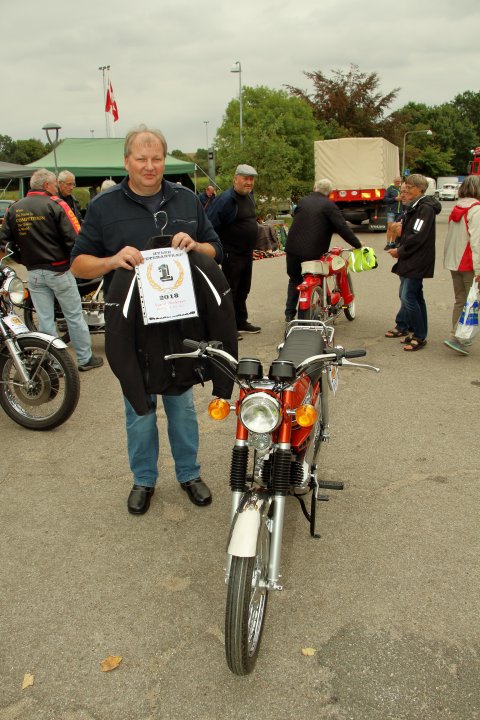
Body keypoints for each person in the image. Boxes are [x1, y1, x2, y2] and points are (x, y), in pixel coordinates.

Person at [70, 125, 236, 516]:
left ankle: (189, 474)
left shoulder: (187, 199)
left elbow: (217, 249)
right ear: (127, 161)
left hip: (181, 323)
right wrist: (112, 260)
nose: (149, 166)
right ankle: (143, 480)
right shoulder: (104, 206)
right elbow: (78, 264)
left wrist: (197, 245)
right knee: (139, 409)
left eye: (156, 158)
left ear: (164, 160)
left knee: (182, 407)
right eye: (141, 159)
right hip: (133, 328)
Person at [0, 168, 103, 372]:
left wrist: (23, 260)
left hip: (34, 272)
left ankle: (54, 364)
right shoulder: (57, 204)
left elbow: (5, 244)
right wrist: (74, 262)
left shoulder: (14, 208)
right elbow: (75, 237)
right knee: (74, 316)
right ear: (47, 185)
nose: (56, 188)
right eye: (55, 184)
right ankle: (85, 358)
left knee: (45, 320)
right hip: (60, 270)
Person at [283, 178, 362, 322]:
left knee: (294, 280)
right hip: (312, 252)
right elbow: (342, 228)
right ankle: (321, 307)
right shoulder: (329, 206)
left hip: (292, 249)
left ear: (314, 188)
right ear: (330, 193)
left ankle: (289, 314)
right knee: (318, 278)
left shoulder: (302, 201)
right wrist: (357, 244)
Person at [387, 174, 441, 352]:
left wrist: (400, 251)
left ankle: (419, 335)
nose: (405, 191)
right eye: (405, 188)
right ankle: (418, 332)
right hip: (412, 257)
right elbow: (410, 232)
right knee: (415, 296)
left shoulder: (424, 209)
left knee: (408, 297)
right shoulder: (416, 206)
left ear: (420, 189)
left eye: (409, 188)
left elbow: (417, 236)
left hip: (417, 259)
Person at [206, 164, 261, 334]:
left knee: (243, 289)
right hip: (231, 253)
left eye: (251, 179)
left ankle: (241, 321)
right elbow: (210, 224)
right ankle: (228, 327)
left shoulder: (249, 196)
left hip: (246, 253)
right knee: (230, 291)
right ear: (235, 179)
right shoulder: (226, 199)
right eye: (245, 178)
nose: (249, 182)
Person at [443, 175, 480, 355]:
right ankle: (462, 338)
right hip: (469, 263)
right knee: (472, 302)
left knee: (461, 300)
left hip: (454, 262)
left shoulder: (458, 207)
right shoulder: (476, 210)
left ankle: (456, 335)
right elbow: (477, 242)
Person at [384, 176, 403, 250]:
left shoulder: (401, 189)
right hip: (391, 211)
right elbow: (385, 199)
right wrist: (395, 199)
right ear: (394, 182)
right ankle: (388, 243)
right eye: (396, 181)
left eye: (399, 182)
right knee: (390, 227)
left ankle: (393, 242)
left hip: (400, 212)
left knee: (396, 228)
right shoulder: (389, 189)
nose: (398, 183)